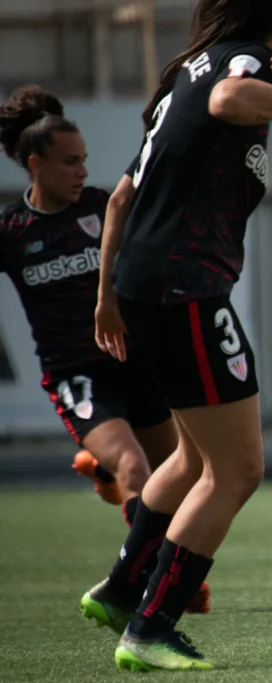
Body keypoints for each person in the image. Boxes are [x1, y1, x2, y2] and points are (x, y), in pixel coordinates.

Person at [79, 0, 272, 671]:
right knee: (238, 469)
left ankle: (123, 588)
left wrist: (107, 295)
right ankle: (152, 626)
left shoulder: (182, 72)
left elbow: (123, 195)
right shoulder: (237, 61)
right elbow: (230, 98)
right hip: (185, 287)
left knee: (191, 458)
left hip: (145, 283)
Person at [0, 86, 191, 572]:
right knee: (134, 467)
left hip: (134, 361)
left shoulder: (103, 207)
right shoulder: (14, 232)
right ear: (35, 163)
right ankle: (153, 576)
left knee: (179, 477)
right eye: (69, 162)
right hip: (77, 373)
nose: (82, 171)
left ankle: (102, 470)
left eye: (84, 160)